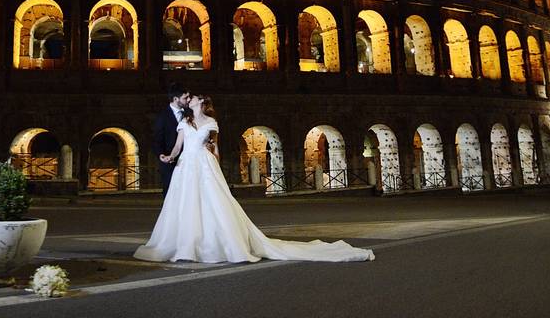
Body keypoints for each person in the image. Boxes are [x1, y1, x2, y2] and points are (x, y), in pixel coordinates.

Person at [134, 95, 375, 264]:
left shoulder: (212, 123)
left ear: (203, 104)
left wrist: (214, 162)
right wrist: (168, 156)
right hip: (186, 165)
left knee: (213, 205)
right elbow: (178, 146)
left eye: (194, 98)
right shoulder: (184, 122)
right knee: (185, 205)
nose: (190, 100)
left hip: (203, 165)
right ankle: (184, 244)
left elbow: (214, 148)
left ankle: (215, 243)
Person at [152, 83, 191, 197]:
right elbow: (157, 139)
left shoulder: (190, 113)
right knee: (171, 194)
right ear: (175, 99)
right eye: (185, 98)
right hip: (170, 162)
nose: (188, 100)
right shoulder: (162, 116)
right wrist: (161, 155)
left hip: (189, 160)